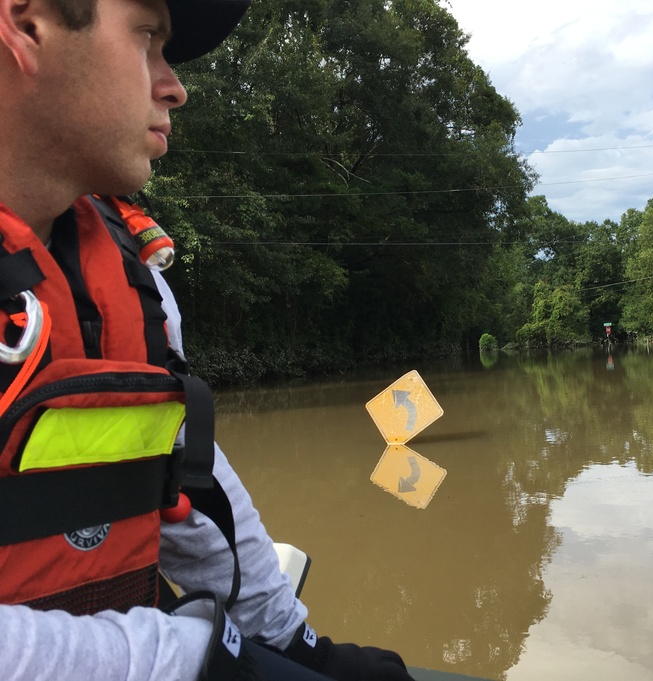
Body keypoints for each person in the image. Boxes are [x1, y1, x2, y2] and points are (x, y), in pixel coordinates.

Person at [0, 1, 416, 679]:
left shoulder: (138, 284)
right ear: (26, 24)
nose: (174, 86)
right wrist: (181, 658)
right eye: (148, 39)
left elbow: (186, 478)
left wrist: (292, 643)